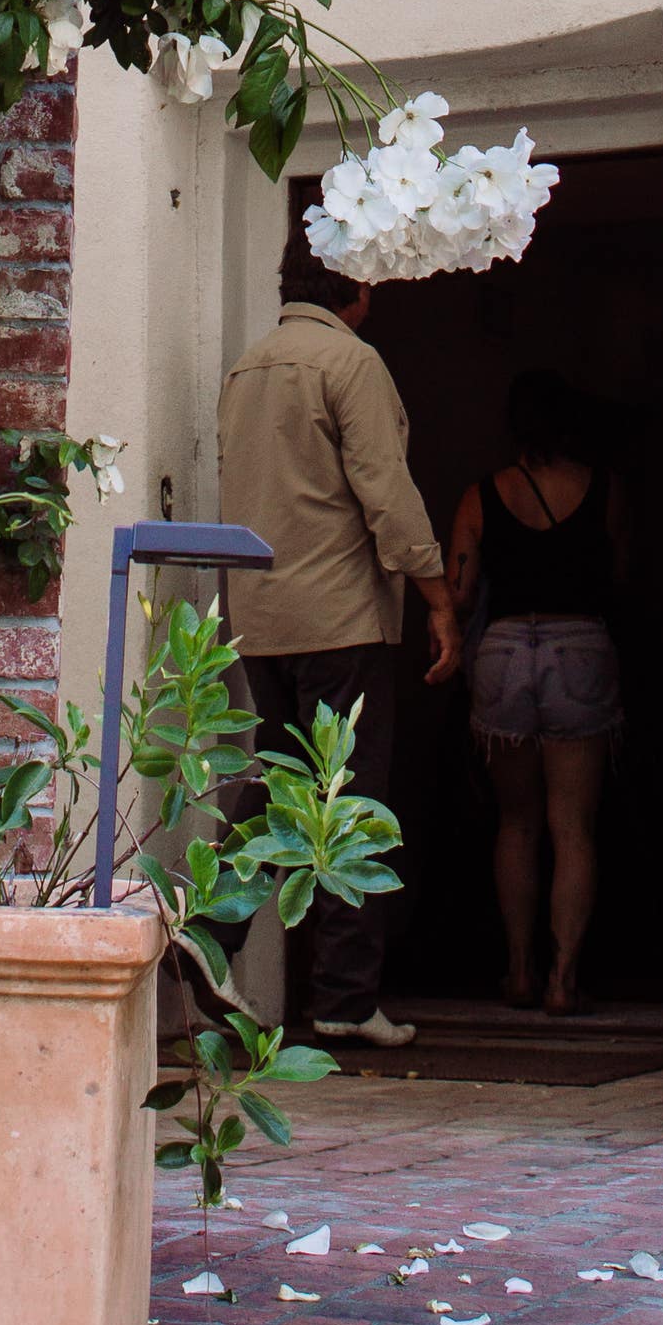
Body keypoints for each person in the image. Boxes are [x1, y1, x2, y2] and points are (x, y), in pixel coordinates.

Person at [216, 236, 463, 1049]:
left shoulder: (248, 367)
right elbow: (387, 496)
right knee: (347, 797)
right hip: (338, 616)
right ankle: (346, 1000)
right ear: (355, 286)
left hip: (260, 614)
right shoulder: (351, 363)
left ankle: (210, 935)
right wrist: (438, 596)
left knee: (281, 781)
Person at [445, 368, 624, 1016]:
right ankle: (563, 980)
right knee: (572, 826)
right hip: (579, 649)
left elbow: (459, 595)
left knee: (515, 823)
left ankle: (518, 971)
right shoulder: (602, 488)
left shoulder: (481, 496)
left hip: (502, 656)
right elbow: (621, 576)